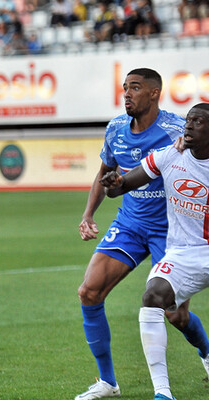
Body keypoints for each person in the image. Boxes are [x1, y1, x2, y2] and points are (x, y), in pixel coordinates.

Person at [75, 68, 209, 400]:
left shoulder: (179, 128)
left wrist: (188, 141)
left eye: (135, 87)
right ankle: (108, 381)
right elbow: (106, 173)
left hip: (172, 230)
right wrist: (88, 214)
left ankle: (206, 352)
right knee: (89, 291)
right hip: (132, 223)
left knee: (175, 314)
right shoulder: (116, 128)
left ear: (153, 93)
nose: (127, 93)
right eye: (124, 88)